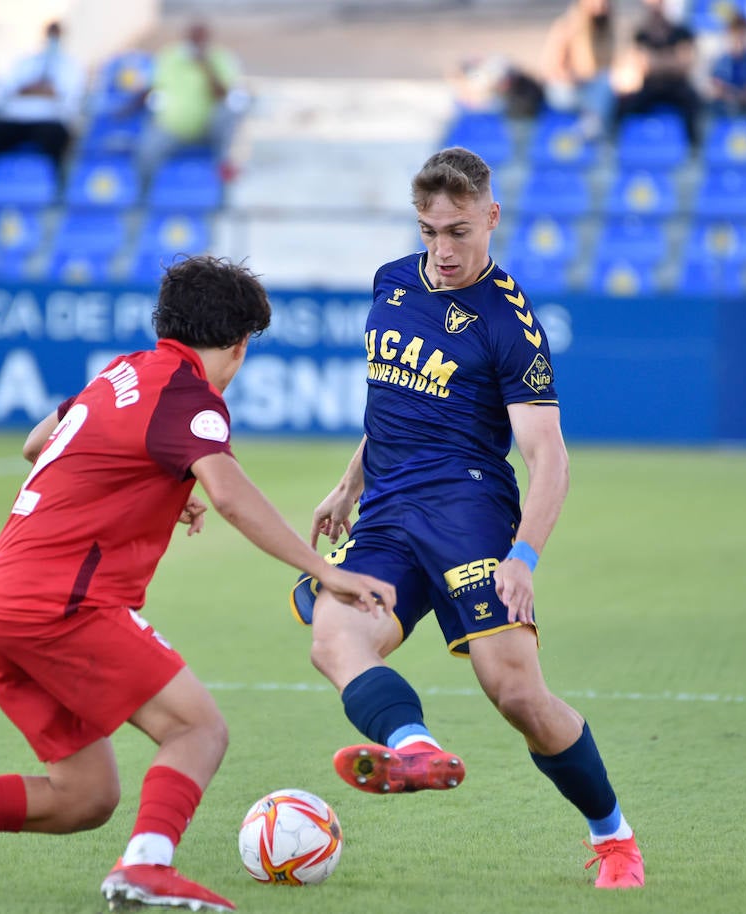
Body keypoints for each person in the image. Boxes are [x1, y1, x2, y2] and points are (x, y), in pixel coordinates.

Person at [0, 255, 397, 911]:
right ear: (240, 346)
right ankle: (147, 865)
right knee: (198, 729)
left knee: (85, 794)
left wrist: (156, 478)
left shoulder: (122, 372)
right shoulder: (192, 398)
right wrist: (325, 569)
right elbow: (233, 497)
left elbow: (35, 442)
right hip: (62, 604)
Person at [288, 147, 645, 889]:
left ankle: (614, 837)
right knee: (335, 637)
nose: (442, 250)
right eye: (429, 232)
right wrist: (348, 483)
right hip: (386, 512)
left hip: (469, 512)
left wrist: (525, 557)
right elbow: (395, 396)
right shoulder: (391, 284)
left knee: (514, 691)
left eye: (458, 231)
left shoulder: (511, 325)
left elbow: (550, 457)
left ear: (491, 217)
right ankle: (414, 747)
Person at [0, 20, 83, 187]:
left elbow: (68, 96)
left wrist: (33, 90)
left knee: (58, 139)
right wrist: (40, 90)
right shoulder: (25, 62)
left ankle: (59, 190)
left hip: (49, 120)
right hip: (16, 119)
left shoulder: (70, 65)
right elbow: (8, 89)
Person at [136, 20, 245, 188]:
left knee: (230, 117)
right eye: (192, 39)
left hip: (207, 129)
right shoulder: (170, 57)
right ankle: (143, 198)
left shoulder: (219, 58)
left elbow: (223, 95)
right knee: (146, 151)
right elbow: (151, 87)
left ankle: (223, 190)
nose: (195, 43)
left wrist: (206, 66)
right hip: (172, 127)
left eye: (200, 39)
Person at [612, 0, 701, 147]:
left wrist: (655, 60)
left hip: (676, 87)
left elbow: (684, 64)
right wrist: (671, 58)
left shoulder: (681, 32)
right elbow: (641, 63)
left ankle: (694, 149)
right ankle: (618, 147)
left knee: (694, 103)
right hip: (649, 87)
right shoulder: (641, 33)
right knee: (623, 104)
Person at [541, 0, 618, 137]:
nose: (602, 4)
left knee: (607, 83)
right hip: (566, 90)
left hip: (592, 91)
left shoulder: (605, 29)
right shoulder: (567, 27)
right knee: (603, 86)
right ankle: (589, 131)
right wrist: (576, 78)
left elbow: (607, 68)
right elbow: (552, 68)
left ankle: (593, 130)